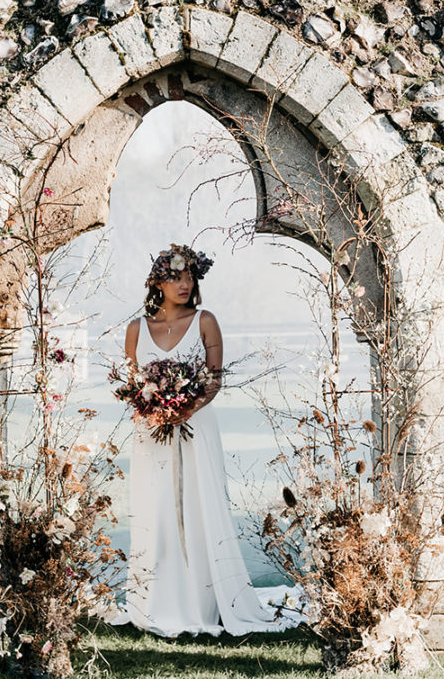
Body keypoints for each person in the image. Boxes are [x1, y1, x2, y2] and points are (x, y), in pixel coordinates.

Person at [116, 243, 299, 637]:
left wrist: (184, 409)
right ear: (158, 281)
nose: (185, 284)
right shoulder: (136, 329)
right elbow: (132, 385)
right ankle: (154, 600)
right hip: (151, 434)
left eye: (190, 277)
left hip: (196, 426)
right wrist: (155, 409)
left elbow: (215, 379)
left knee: (201, 506)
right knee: (156, 508)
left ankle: (207, 601)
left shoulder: (205, 321)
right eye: (176, 277)